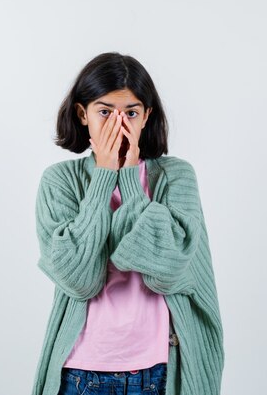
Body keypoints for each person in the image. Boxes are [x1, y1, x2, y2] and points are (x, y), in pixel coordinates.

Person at [31, 52, 224, 395]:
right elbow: (79, 280)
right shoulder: (59, 181)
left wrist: (132, 179)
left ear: (147, 116)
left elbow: (169, 268)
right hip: (81, 371)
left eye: (131, 113)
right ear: (82, 114)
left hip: (159, 371)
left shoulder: (176, 176)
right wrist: (105, 175)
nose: (118, 125)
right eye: (104, 112)